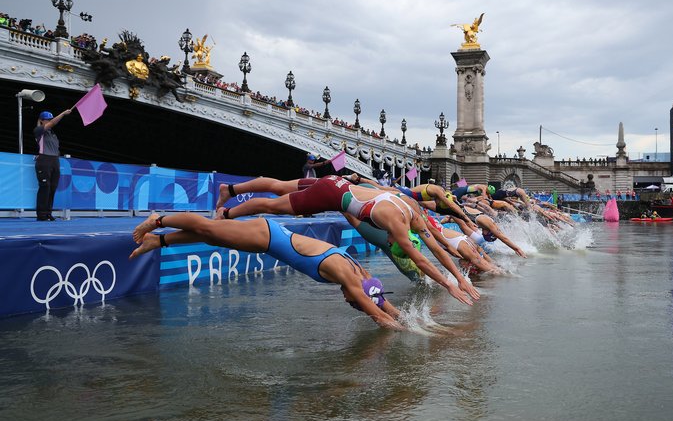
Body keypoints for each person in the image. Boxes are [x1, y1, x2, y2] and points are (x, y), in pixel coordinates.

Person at [214, 175, 480, 305]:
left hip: (336, 182)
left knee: (279, 186)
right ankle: (226, 213)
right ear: (397, 237)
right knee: (274, 206)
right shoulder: (397, 226)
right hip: (329, 195)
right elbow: (421, 258)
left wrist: (458, 277)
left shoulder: (411, 209)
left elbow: (436, 246)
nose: (388, 239)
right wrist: (449, 285)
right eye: (392, 240)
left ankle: (232, 189)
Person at [130, 213, 403, 330]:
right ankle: (158, 220)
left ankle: (159, 241)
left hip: (269, 239)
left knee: (212, 237)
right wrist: (411, 335)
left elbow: (381, 302)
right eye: (352, 302)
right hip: (267, 236)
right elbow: (377, 313)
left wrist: (413, 321)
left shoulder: (362, 274)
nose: (346, 301)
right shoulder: (347, 275)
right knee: (208, 228)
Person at [33, 108, 72, 221]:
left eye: (50, 119)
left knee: (53, 188)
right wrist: (63, 113)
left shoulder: (53, 135)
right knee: (45, 187)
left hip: (55, 160)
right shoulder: (38, 130)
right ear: (41, 121)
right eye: (47, 120)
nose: (50, 121)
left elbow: (55, 149)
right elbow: (54, 123)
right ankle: (41, 214)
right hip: (44, 160)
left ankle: (48, 213)